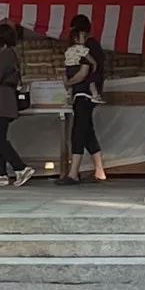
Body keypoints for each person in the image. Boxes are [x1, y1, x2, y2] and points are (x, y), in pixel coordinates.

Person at [0, 22, 33, 186]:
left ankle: (20, 167)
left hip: (2, 100)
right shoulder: (10, 54)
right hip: (3, 99)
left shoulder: (5, 54)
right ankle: (0, 172)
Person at [61, 18, 108, 184]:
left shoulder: (87, 48)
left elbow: (83, 72)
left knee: (78, 131)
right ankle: (100, 171)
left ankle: (73, 173)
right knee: (87, 131)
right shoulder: (89, 46)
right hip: (84, 93)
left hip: (84, 94)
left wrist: (68, 82)